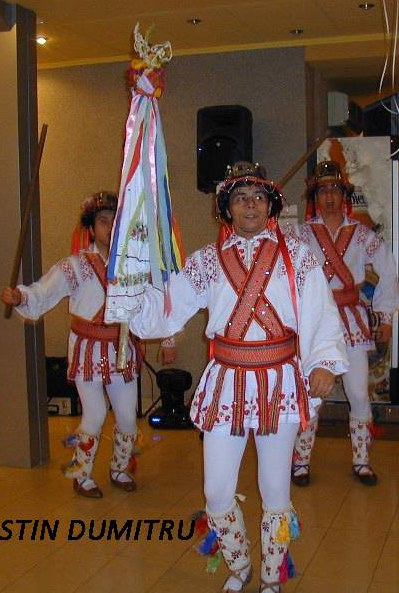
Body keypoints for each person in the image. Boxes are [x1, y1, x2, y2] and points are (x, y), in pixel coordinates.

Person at [129, 162, 348, 593]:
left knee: (276, 489)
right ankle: (239, 562)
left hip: (279, 382)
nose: (250, 205)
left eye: (259, 197)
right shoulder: (206, 261)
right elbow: (170, 308)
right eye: (241, 198)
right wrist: (132, 300)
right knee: (215, 490)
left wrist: (323, 361)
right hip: (227, 383)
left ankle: (272, 575)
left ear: (271, 206)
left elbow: (321, 310)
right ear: (226, 209)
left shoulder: (298, 256)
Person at [1, 192, 146, 499]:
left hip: (121, 349)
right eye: (103, 221)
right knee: (94, 414)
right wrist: (20, 296)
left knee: (127, 416)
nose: (110, 228)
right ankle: (81, 475)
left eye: (115, 222)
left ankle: (120, 468)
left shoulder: (132, 266)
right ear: (91, 228)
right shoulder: (75, 266)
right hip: (87, 351)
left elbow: (153, 302)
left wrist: (169, 338)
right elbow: (44, 291)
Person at [288, 161, 399, 487]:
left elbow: (387, 271)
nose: (329, 197)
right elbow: (282, 272)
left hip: (351, 318)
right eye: (323, 190)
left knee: (358, 392)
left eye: (335, 190)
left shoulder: (363, 235)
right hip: (314, 321)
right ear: (315, 196)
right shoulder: (299, 234)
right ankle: (300, 460)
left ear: (344, 195)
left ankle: (362, 459)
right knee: (311, 392)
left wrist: (386, 316)